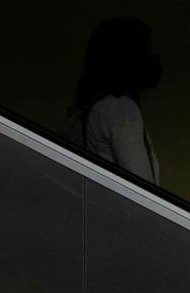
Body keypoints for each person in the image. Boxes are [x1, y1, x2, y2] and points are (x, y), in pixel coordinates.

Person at [65, 17, 163, 184]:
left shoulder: (94, 107)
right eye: (148, 49)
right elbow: (142, 186)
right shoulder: (121, 110)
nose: (154, 56)